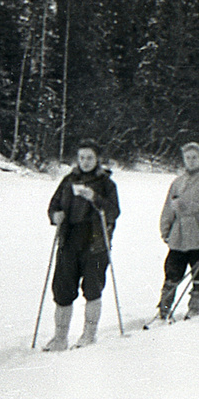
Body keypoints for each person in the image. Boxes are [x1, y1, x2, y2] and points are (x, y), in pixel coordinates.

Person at [44, 139, 121, 351]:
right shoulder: (68, 180)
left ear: (97, 159)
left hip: (96, 241)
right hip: (69, 240)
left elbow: (114, 211)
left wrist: (95, 198)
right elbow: (54, 205)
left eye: (89, 157)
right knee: (62, 288)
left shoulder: (106, 184)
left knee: (93, 288)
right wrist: (55, 215)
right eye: (81, 157)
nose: (85, 162)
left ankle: (89, 334)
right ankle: (60, 337)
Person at [157, 142, 199, 320]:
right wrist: (165, 228)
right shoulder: (177, 183)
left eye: (195, 157)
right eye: (188, 158)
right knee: (172, 271)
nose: (191, 161)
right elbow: (168, 207)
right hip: (178, 235)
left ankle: (194, 308)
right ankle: (164, 308)